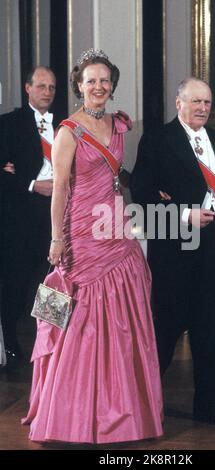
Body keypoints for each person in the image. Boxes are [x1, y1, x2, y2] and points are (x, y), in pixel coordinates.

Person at [22, 49, 163, 444]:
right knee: (81, 317)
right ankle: (71, 414)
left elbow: (117, 173)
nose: (98, 86)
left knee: (123, 317)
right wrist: (56, 238)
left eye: (104, 80)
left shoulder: (119, 126)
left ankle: (123, 410)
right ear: (79, 87)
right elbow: (60, 189)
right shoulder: (69, 131)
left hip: (117, 228)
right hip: (82, 231)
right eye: (90, 81)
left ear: (112, 85)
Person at [130, 77, 215, 428]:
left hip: (213, 253)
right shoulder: (158, 139)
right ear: (178, 103)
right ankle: (141, 407)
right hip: (174, 254)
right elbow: (142, 195)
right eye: (195, 102)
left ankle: (208, 408)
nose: (203, 108)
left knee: (209, 334)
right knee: (165, 333)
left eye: (207, 102)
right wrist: (183, 214)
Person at [0, 66, 57, 368]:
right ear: (28, 88)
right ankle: (9, 341)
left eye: (51, 87)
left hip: (56, 219)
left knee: (53, 283)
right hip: (20, 221)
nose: (47, 92)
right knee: (16, 285)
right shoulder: (8, 123)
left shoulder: (64, 125)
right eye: (41, 86)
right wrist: (32, 184)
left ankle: (50, 344)